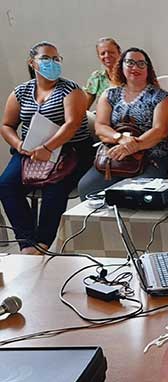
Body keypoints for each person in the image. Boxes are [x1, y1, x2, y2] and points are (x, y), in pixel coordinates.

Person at [0, 41, 93, 254]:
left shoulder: (70, 89)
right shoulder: (21, 91)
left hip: (69, 151)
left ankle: (42, 243)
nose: (52, 62)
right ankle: (26, 241)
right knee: (5, 185)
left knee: (55, 186)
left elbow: (72, 123)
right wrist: (19, 144)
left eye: (56, 58)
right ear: (32, 63)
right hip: (29, 151)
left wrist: (49, 148)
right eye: (46, 58)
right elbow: (6, 125)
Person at [78, 48, 168, 199]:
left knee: (138, 195)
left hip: (151, 155)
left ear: (148, 69)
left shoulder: (160, 97)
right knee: (87, 188)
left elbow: (160, 131)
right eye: (130, 63)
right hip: (115, 154)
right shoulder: (110, 94)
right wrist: (120, 138)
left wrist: (134, 146)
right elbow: (101, 127)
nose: (135, 68)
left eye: (141, 64)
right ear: (121, 66)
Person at [84, 37, 121, 109]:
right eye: (103, 53)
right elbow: (85, 107)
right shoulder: (97, 77)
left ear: (119, 53)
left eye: (111, 52)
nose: (107, 56)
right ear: (99, 57)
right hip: (101, 117)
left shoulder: (129, 75)